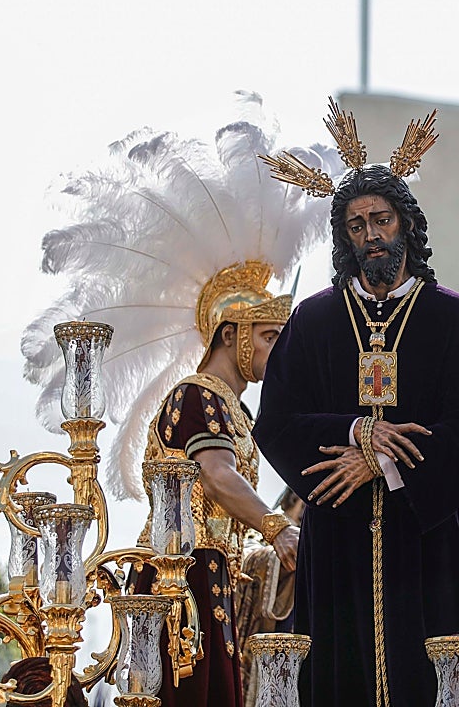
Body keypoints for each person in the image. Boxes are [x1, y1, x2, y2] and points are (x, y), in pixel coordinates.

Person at [23, 95, 335, 707]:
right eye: (271, 336)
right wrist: (278, 530)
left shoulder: (237, 409)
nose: (280, 352)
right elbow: (217, 477)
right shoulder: (196, 396)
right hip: (177, 580)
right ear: (233, 334)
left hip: (211, 578)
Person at [254, 101, 459, 707]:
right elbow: (277, 423)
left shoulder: (454, 318)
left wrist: (387, 461)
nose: (371, 234)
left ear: (406, 226)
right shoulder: (313, 321)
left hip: (424, 539)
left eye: (382, 219)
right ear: (344, 236)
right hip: (336, 540)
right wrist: (354, 433)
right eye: (357, 224)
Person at [235, 487, 305, 707]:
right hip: (269, 648)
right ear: (289, 502)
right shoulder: (257, 533)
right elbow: (247, 559)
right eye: (303, 512)